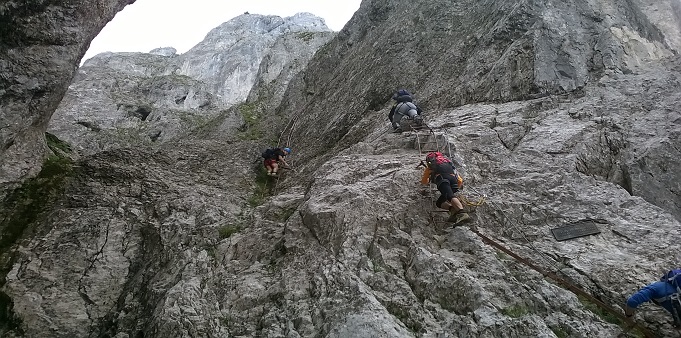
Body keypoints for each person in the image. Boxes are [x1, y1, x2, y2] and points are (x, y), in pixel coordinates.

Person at [420, 152, 470, 224]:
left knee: (450, 196)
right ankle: (454, 212)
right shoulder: (449, 163)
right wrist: (456, 187)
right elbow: (460, 180)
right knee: (439, 203)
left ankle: (462, 213)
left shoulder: (430, 167)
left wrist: (430, 178)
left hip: (442, 179)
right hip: (454, 181)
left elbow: (424, 182)